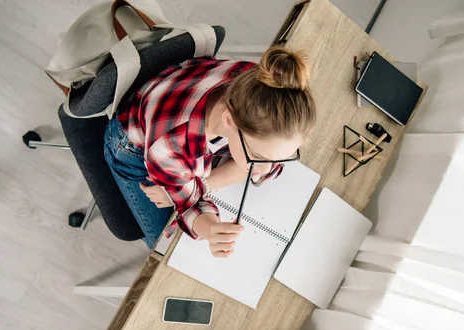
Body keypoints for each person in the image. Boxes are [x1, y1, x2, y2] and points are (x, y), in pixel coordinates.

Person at [104, 46, 316, 258]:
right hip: (131, 147)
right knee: (163, 248)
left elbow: (256, 166)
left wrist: (203, 183)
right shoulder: (171, 145)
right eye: (258, 157)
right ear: (229, 120)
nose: (266, 169)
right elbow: (189, 205)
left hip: (175, 96)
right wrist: (211, 231)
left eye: (283, 156)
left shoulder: (261, 88)